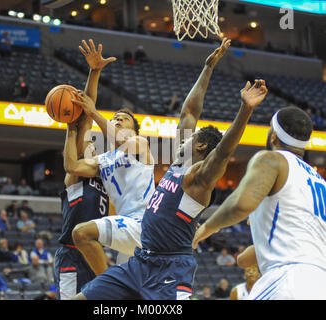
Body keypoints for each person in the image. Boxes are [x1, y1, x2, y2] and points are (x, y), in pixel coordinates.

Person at [74, 38, 267, 300]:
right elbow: (189, 110)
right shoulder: (178, 163)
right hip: (140, 263)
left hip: (170, 269)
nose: (183, 135)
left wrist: (245, 110)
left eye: (191, 136)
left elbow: (223, 152)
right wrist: (207, 68)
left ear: (199, 145)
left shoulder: (198, 179)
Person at [192, 106, 326, 299]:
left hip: (287, 280)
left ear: (273, 136)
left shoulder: (272, 159)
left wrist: (202, 232)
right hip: (319, 282)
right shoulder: (319, 182)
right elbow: (296, 240)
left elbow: (240, 204)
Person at [70, 39, 155, 276]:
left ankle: (106, 285)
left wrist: (94, 112)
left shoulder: (140, 144)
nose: (118, 118)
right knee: (134, 294)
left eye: (124, 118)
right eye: (115, 117)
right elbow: (73, 165)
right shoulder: (104, 159)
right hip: (128, 226)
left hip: (145, 224)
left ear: (135, 130)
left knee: (81, 233)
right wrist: (94, 72)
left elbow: (116, 136)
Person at [53, 53, 112, 299]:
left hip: (94, 252)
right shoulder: (76, 178)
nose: (92, 147)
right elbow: (86, 119)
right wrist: (94, 72)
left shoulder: (107, 177)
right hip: (70, 254)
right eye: (88, 146)